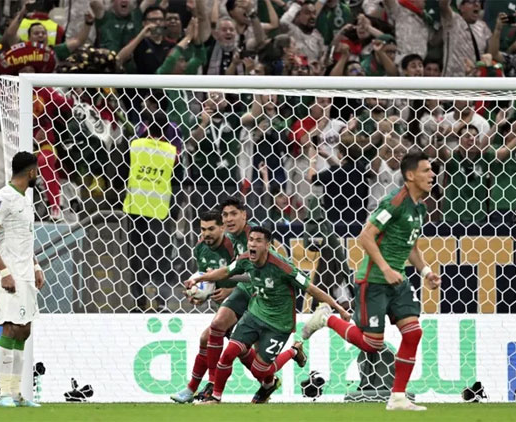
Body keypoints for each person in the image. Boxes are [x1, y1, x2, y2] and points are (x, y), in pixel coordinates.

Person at [302, 151, 442, 411]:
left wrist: (425, 272)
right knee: (372, 343)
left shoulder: (419, 208)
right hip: (374, 280)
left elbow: (410, 246)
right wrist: (386, 269)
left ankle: (397, 397)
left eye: (432, 170)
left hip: (397, 281)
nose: (432, 175)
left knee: (413, 332)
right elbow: (366, 236)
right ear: (410, 175)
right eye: (426, 170)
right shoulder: (394, 202)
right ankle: (327, 318)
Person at [186, 226, 349, 404]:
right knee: (229, 353)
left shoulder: (283, 267)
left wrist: (338, 308)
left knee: (260, 370)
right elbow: (225, 271)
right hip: (255, 314)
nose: (252, 244)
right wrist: (199, 278)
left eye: (258, 241)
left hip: (279, 323)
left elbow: (311, 288)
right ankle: (215, 397)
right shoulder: (245, 259)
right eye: (251, 240)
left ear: (268, 245)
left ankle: (294, 351)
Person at [0, 152, 44, 408]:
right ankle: (5, 394)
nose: (38, 175)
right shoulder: (4, 197)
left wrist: (36, 266)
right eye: (37, 171)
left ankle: (16, 393)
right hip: (10, 274)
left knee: (24, 329)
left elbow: (24, 238)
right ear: (30, 172)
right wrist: (4, 271)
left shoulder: (24, 199)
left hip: (25, 273)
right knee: (11, 328)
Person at [171, 209, 240, 403]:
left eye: (211, 229)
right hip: (224, 308)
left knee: (246, 354)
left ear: (222, 228)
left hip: (244, 304)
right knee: (207, 340)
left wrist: (230, 291)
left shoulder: (233, 246)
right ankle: (194, 388)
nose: (206, 233)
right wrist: (199, 295)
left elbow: (251, 276)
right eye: (203, 229)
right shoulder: (200, 247)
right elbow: (207, 281)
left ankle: (205, 386)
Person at [123, 114, 177, 312]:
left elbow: (123, 170)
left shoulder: (135, 145)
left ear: (146, 127)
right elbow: (177, 180)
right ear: (166, 131)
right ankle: (162, 301)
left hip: (135, 207)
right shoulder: (171, 151)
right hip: (159, 210)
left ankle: (139, 301)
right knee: (161, 257)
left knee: (136, 256)